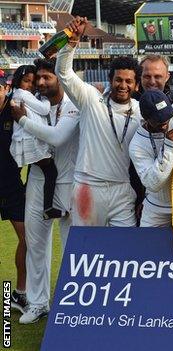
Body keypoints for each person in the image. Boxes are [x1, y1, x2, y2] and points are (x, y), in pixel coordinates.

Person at [10, 57, 80, 324]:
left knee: (69, 246)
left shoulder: (72, 104)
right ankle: (38, 303)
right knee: (36, 244)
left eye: (46, 77)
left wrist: (24, 121)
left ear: (59, 78)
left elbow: (57, 138)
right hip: (38, 179)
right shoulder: (31, 100)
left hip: (67, 181)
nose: (40, 82)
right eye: (38, 77)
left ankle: (70, 303)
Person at [56, 17, 142, 226]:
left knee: (124, 254)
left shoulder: (141, 113)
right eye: (118, 80)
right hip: (88, 187)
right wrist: (71, 43)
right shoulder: (91, 100)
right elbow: (63, 72)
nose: (123, 85)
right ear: (110, 80)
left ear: (137, 85)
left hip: (122, 190)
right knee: (87, 251)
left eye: (128, 81)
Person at [9, 65, 64, 220]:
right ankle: (48, 208)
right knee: (51, 171)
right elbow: (44, 110)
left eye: (32, 82)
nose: (31, 86)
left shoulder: (20, 94)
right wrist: (46, 100)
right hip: (30, 142)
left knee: (38, 170)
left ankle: (29, 195)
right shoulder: (23, 94)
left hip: (28, 140)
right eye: (27, 81)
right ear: (19, 81)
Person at [129, 90, 173, 227]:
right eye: (158, 119)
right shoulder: (137, 144)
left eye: (166, 116)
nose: (164, 122)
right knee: (145, 247)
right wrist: (169, 146)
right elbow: (153, 183)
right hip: (155, 209)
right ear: (145, 118)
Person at [0, 79, 27, 316]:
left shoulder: (16, 110)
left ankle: (19, 293)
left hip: (11, 187)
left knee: (27, 239)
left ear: (6, 89)